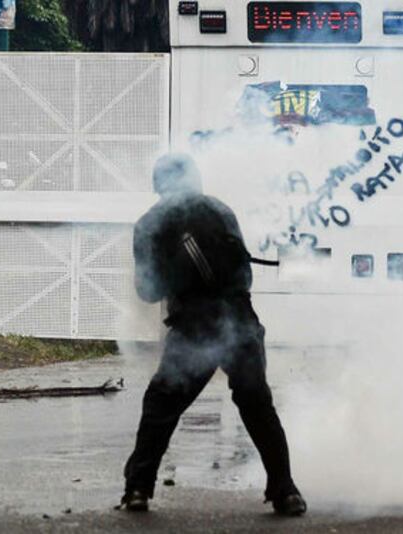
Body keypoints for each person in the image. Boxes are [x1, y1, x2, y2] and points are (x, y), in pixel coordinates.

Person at [121, 153, 306, 516]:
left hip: (194, 326)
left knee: (161, 406)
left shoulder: (149, 223)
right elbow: (244, 275)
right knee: (257, 406)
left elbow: (148, 291)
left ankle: (138, 489)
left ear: (159, 184)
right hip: (240, 323)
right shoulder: (221, 210)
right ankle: (286, 492)